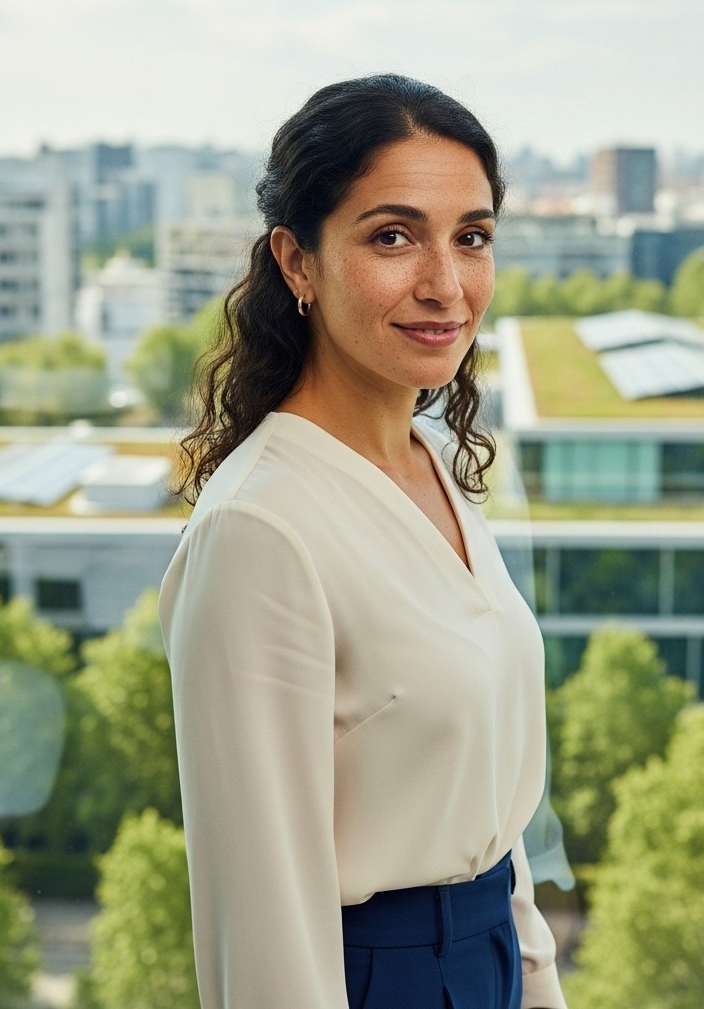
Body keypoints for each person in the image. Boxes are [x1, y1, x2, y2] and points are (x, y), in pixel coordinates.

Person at [158, 73, 568, 1009]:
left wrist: (537, 986)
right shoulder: (259, 532)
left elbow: (493, 829)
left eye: (472, 237)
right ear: (297, 262)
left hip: (489, 964)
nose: (445, 284)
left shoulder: (432, 464)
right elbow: (265, 939)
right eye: (392, 236)